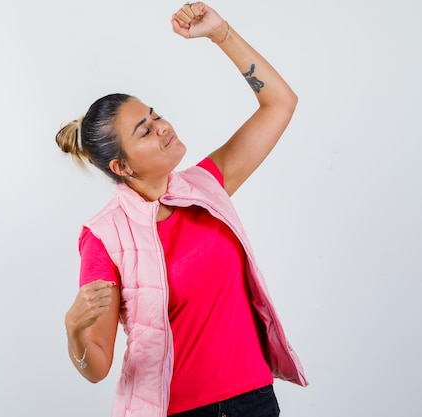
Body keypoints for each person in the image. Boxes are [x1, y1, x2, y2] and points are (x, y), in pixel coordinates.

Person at [55, 2, 307, 416]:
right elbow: (96, 366)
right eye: (146, 130)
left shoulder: (206, 186)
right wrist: (74, 329)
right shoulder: (105, 236)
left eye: (155, 116)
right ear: (122, 167)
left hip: (255, 401)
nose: (163, 127)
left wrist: (220, 33)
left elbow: (280, 103)